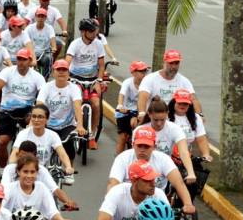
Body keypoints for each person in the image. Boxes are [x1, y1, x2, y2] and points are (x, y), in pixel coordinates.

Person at [106, 127, 195, 213]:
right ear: (133, 144)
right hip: (129, 203)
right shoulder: (122, 158)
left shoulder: (163, 159)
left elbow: (178, 183)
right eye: (139, 146)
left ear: (154, 146)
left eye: (146, 146)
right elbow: (113, 183)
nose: (142, 150)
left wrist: (188, 204)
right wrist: (112, 203)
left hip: (156, 204)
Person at [0, 48, 45, 169]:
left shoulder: (37, 76)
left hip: (27, 111)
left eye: (24, 59)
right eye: (19, 59)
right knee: (2, 141)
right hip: (7, 110)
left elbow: (43, 95)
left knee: (31, 139)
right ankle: (3, 171)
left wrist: (38, 112)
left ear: (29, 61)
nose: (20, 62)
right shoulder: (8, 72)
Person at [64, 19, 106, 149]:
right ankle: (73, 125)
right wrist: (65, 77)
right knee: (76, 101)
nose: (94, 34)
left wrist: (99, 80)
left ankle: (92, 135)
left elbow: (101, 64)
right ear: (83, 32)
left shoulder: (98, 44)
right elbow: (67, 61)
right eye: (92, 31)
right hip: (76, 79)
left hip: (92, 79)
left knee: (95, 104)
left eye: (95, 31)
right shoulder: (75, 44)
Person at [8, 102, 74, 182]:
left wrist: (68, 166)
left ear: (47, 119)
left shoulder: (52, 135)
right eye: (34, 116)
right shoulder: (23, 134)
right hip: (24, 171)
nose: (36, 120)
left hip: (41, 172)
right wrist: (11, 166)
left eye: (40, 117)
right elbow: (15, 152)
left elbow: (62, 154)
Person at [3, 156, 71, 220]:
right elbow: (0, 208)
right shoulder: (9, 188)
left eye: (32, 172)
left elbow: (52, 211)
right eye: (25, 171)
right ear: (18, 171)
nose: (29, 176)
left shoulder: (42, 188)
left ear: (37, 173)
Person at [136, 49, 201, 115]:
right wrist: (142, 113)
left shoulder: (184, 81)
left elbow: (193, 99)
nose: (174, 66)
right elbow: (143, 97)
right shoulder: (150, 79)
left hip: (175, 118)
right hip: (154, 118)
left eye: (176, 63)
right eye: (171, 63)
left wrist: (200, 115)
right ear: (164, 62)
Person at [168, 89, 212, 161]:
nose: (182, 106)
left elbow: (201, 139)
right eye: (179, 103)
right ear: (173, 103)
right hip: (167, 155)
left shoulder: (196, 117)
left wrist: (206, 154)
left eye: (185, 103)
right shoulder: (165, 117)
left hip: (186, 156)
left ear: (190, 104)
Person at [115, 60, 148, 154]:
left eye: (144, 71)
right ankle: (118, 160)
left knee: (139, 131)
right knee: (123, 137)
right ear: (133, 73)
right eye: (141, 71)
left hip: (139, 112)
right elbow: (121, 94)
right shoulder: (127, 82)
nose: (143, 73)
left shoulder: (147, 83)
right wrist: (121, 105)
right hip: (124, 111)